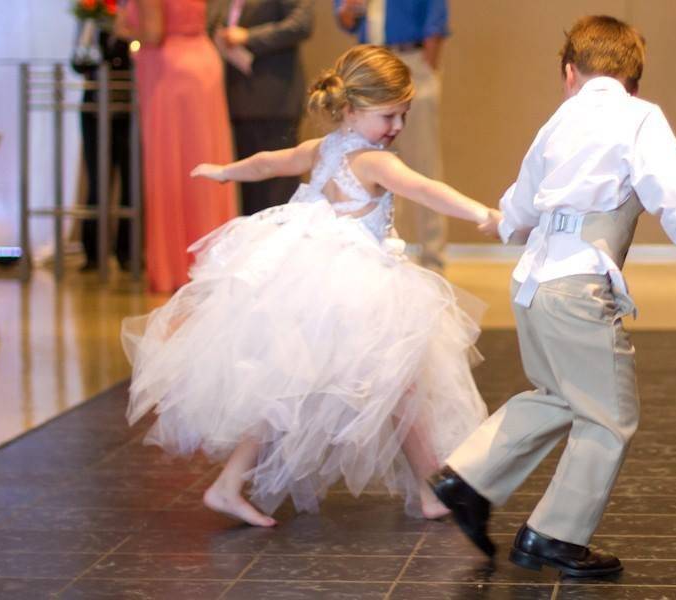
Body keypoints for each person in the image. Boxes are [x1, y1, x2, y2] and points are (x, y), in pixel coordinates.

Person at [122, 45, 500, 527]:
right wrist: (480, 213)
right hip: (353, 285)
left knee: (319, 383)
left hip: (314, 277)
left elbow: (265, 163)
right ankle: (428, 489)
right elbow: (426, 189)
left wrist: (225, 173)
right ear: (350, 109)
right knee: (393, 380)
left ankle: (230, 483)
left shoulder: (325, 149)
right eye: (389, 116)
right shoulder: (373, 161)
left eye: (403, 115)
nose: (397, 128)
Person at [430, 15, 676, 577]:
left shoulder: (558, 121)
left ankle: (465, 478)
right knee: (610, 415)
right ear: (634, 81)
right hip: (580, 285)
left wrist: (501, 225)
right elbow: (672, 191)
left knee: (559, 394)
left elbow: (522, 201)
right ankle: (552, 535)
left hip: (532, 284)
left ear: (569, 73)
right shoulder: (640, 116)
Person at [117, 0, 237, 292]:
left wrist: (124, 32)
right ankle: (212, 261)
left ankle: (177, 267)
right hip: (203, 62)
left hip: (171, 72)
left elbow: (153, 33)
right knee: (204, 160)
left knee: (172, 164)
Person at [334, 0, 448, 272]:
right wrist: (350, 9)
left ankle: (433, 261)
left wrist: (427, 71)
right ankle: (387, 255)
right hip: (367, 65)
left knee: (422, 164)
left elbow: (436, 23)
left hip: (409, 62)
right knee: (369, 167)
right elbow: (344, 21)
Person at [210, 0, 314, 215]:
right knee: (249, 192)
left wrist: (249, 36)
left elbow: (301, 24)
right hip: (239, 97)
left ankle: (281, 246)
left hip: (274, 99)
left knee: (277, 191)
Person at [71, 26, 132, 271]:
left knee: (131, 181)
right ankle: (93, 252)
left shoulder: (135, 15)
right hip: (95, 107)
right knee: (97, 180)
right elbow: (77, 61)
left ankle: (127, 251)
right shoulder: (91, 20)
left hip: (130, 105)